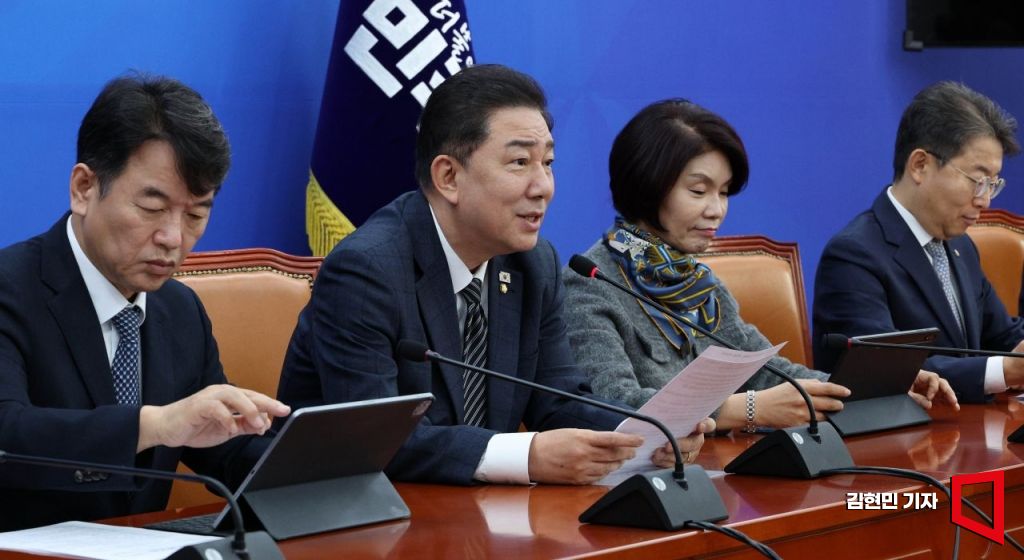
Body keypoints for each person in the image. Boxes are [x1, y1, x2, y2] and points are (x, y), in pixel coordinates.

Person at [276, 65, 712, 487]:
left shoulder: (532, 264)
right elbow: (374, 441)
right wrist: (527, 455)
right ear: (449, 176)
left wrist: (645, 430)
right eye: (520, 162)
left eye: (548, 162)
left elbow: (559, 400)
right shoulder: (367, 271)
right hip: (356, 511)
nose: (543, 187)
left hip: (476, 509)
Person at [0, 75, 290, 530]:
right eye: (152, 208)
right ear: (84, 188)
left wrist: (315, 464)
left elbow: (220, 447)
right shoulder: (10, 289)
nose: (173, 238)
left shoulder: (180, 310)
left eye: (196, 214)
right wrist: (153, 425)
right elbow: (8, 434)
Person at [564, 99, 956, 432]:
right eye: (698, 191)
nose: (716, 210)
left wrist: (878, 388)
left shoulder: (697, 283)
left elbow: (770, 372)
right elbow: (613, 404)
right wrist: (744, 410)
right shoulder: (590, 282)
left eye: (724, 192)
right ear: (646, 187)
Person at [813, 81, 1022, 404]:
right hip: (897, 433)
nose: (985, 200)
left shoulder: (961, 247)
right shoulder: (853, 255)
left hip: (967, 427)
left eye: (993, 184)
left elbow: (1003, 338)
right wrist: (1005, 371)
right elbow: (882, 372)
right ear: (920, 165)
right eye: (978, 180)